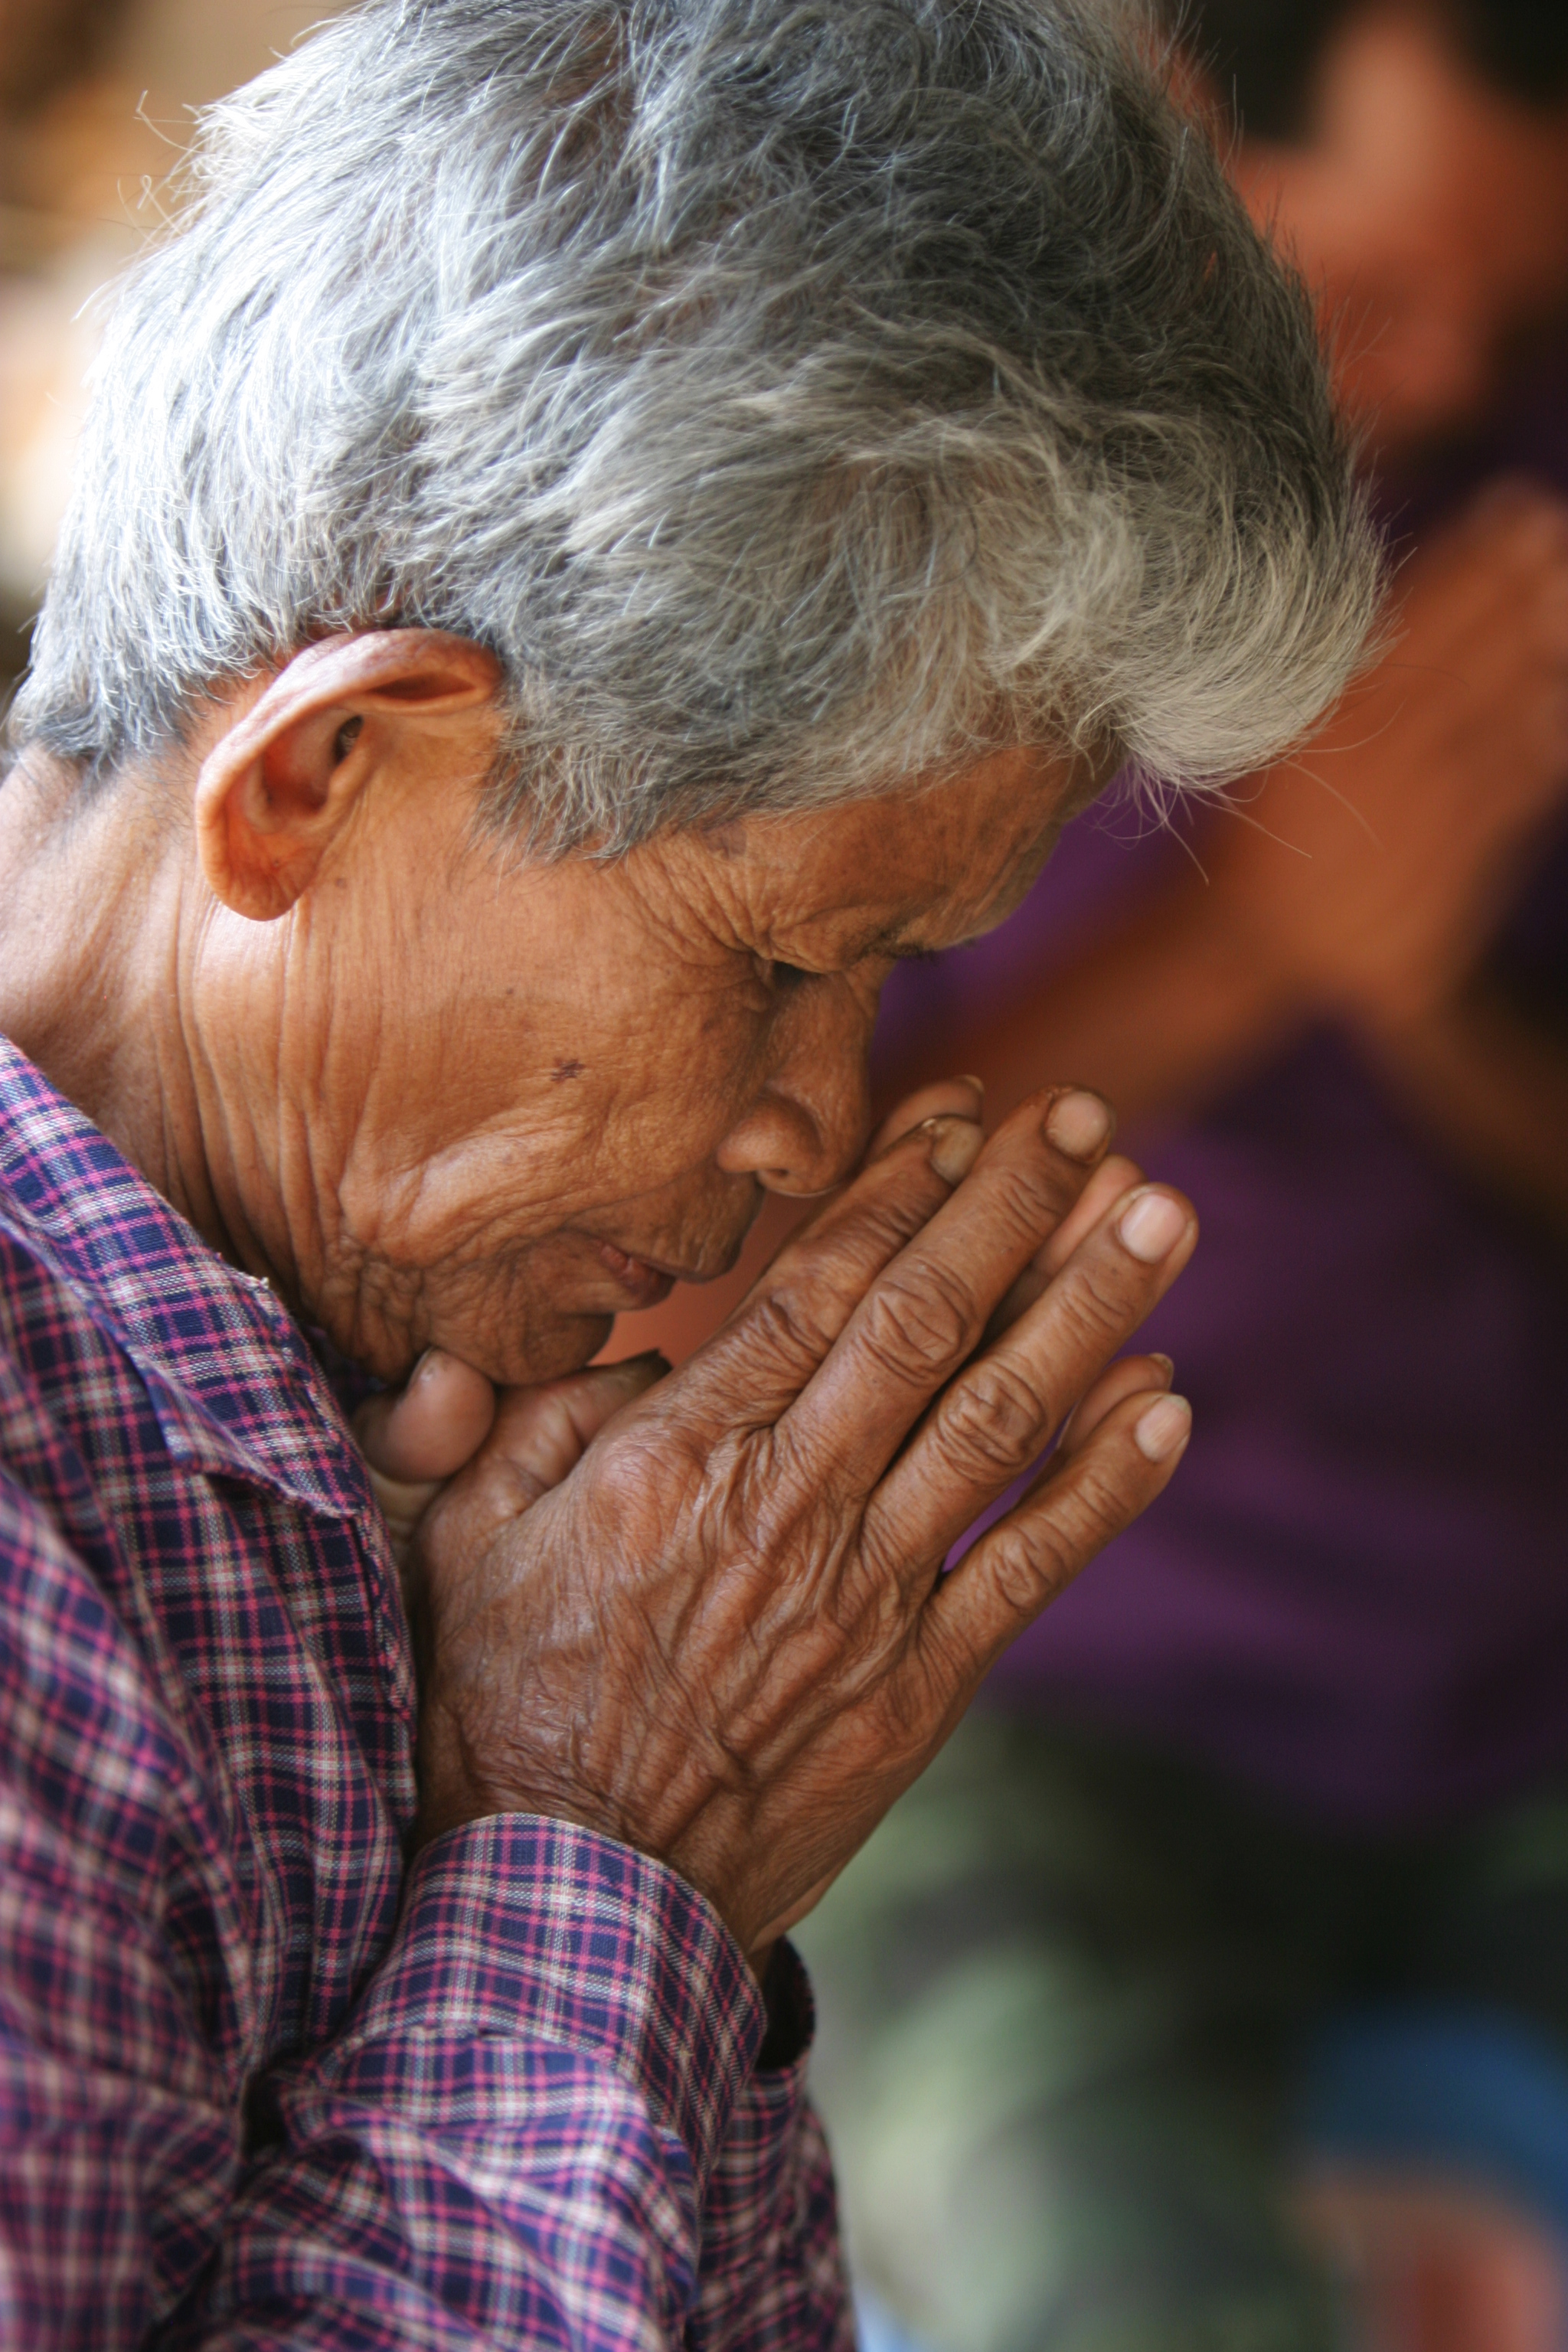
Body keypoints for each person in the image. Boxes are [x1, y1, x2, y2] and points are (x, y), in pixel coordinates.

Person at [0, 1, 1377, 2343]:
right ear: (321, 776)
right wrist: (593, 1859)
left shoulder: (330, 1431)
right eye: (778, 968)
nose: (810, 1129)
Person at [792, 5, 1568, 2350]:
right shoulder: (858, 524)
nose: (1441, 381)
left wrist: (1416, 994)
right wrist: (1257, 953)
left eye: (1510, 315)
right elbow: (721, 1280)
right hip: (1014, 1699)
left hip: (1514, 1680)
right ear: (1167, 121)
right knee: (1095, 2270)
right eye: (1375, 291)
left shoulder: (1507, 501)